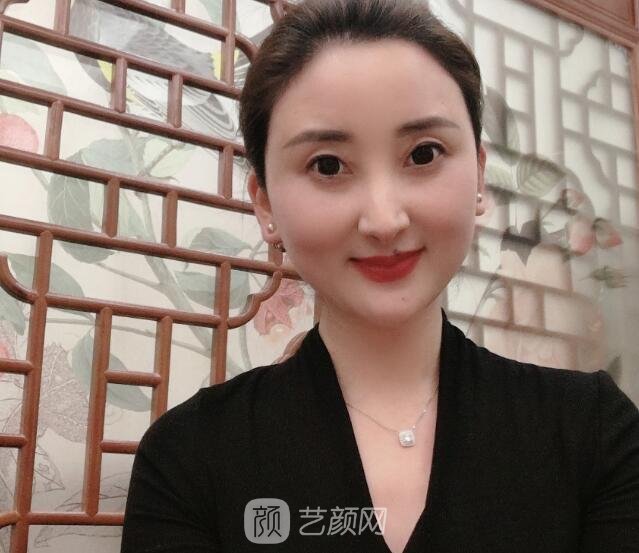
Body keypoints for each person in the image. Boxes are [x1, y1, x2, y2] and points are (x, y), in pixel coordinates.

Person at [120, 0, 639, 551]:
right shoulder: (188, 457)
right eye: (327, 165)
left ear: (479, 174)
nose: (385, 220)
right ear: (265, 203)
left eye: (424, 154)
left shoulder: (595, 432)